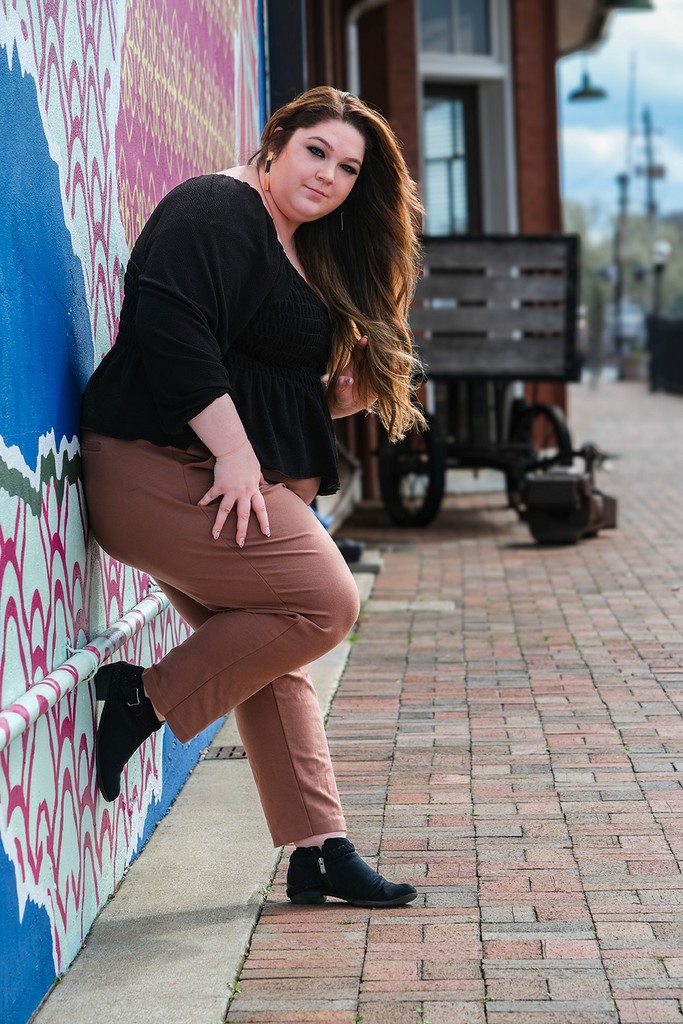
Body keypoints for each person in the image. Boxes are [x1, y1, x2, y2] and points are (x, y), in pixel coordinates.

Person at [80, 86, 425, 908]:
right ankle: (142, 695)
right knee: (322, 604)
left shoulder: (300, 245)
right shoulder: (213, 208)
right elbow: (171, 331)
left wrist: (336, 394)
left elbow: (258, 372)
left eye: (348, 169)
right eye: (317, 152)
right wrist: (234, 453)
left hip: (214, 485)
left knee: (271, 658)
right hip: (152, 470)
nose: (330, 177)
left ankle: (318, 848)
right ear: (276, 140)